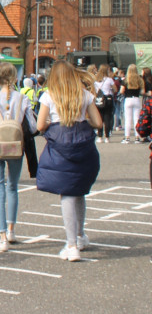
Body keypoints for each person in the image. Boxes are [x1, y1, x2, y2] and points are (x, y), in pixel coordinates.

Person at [35, 60, 101, 262]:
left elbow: (39, 125)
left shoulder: (49, 96)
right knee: (80, 191)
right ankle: (80, 236)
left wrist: (53, 122)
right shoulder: (84, 94)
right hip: (84, 146)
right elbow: (98, 122)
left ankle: (71, 244)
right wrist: (82, 121)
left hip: (60, 146)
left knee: (67, 194)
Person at [0, 63, 36, 251]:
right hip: (16, 146)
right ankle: (11, 230)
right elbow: (33, 127)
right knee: (12, 187)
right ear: (14, 78)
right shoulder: (23, 98)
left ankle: (1, 236)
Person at [121, 64, 145, 144]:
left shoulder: (125, 80)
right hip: (137, 99)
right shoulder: (140, 79)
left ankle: (127, 138)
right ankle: (137, 138)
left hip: (128, 99)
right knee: (137, 119)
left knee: (128, 119)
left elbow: (121, 91)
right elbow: (143, 92)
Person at [93, 64, 116, 143]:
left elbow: (94, 91)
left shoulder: (96, 80)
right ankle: (107, 137)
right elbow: (115, 89)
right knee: (107, 118)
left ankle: (100, 136)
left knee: (100, 118)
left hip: (99, 100)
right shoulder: (109, 80)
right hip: (108, 99)